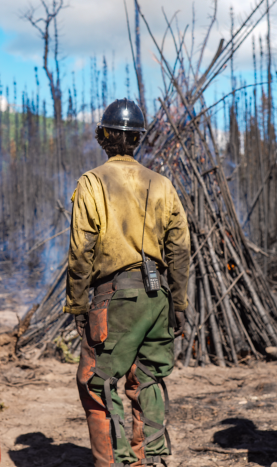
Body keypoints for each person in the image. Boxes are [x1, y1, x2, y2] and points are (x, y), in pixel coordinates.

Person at [65, 99, 190, 467]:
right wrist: (179, 303)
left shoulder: (92, 182)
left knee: (97, 383)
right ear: (137, 139)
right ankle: (146, 459)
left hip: (115, 299)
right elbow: (180, 250)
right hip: (157, 299)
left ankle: (115, 462)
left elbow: (81, 249)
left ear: (103, 136)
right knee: (146, 380)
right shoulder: (162, 184)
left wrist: (76, 304)